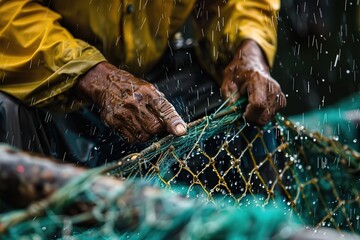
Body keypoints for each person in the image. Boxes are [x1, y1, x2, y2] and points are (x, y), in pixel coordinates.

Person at [0, 0, 286, 165]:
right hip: (44, 77)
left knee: (241, 99)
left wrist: (248, 49)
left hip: (148, 72)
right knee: (7, 111)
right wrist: (91, 75)